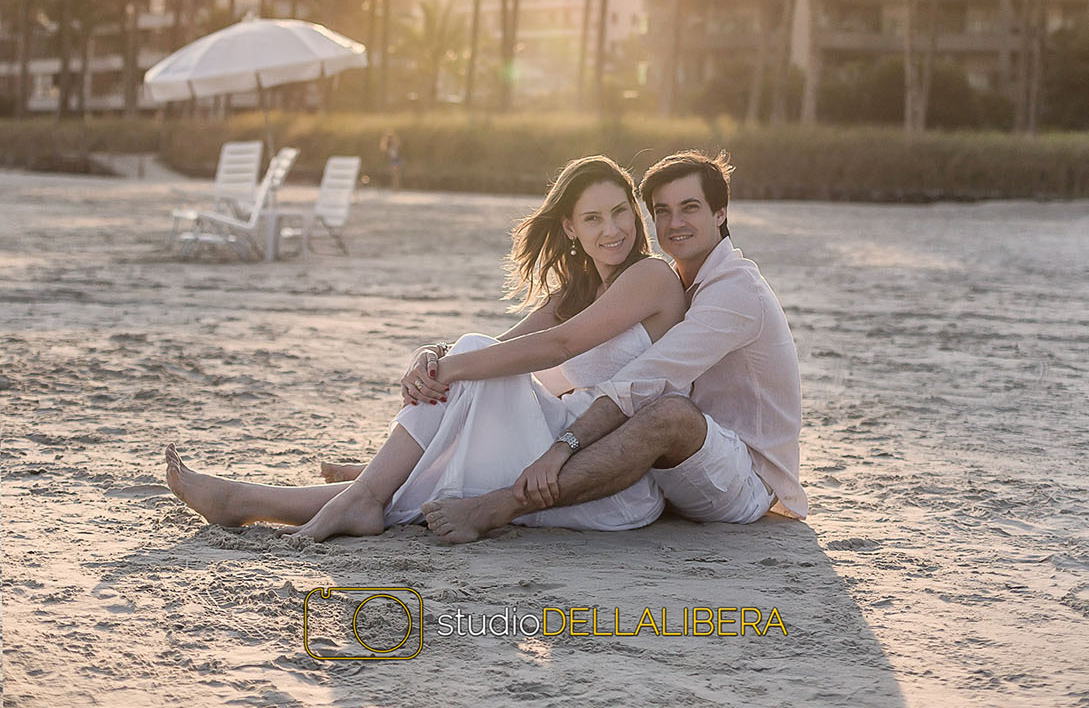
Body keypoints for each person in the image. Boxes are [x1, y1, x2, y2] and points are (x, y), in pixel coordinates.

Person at [164, 156, 685, 535]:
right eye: (593, 218)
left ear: (635, 214)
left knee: (459, 386)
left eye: (620, 212)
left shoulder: (652, 276)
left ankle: (337, 493)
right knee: (465, 372)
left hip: (602, 480)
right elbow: (503, 348)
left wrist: (452, 365)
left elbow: (557, 346)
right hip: (550, 450)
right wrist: (434, 355)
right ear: (570, 227)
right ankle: (277, 498)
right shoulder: (576, 291)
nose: (612, 229)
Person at [422, 149, 808, 544]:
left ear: (720, 213)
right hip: (683, 463)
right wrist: (443, 355)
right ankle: (416, 478)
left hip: (745, 479)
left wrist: (563, 447)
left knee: (670, 412)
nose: (675, 223)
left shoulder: (735, 290)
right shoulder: (679, 282)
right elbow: (522, 348)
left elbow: (645, 379)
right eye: (662, 211)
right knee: (630, 410)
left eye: (690, 208)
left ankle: (499, 506)